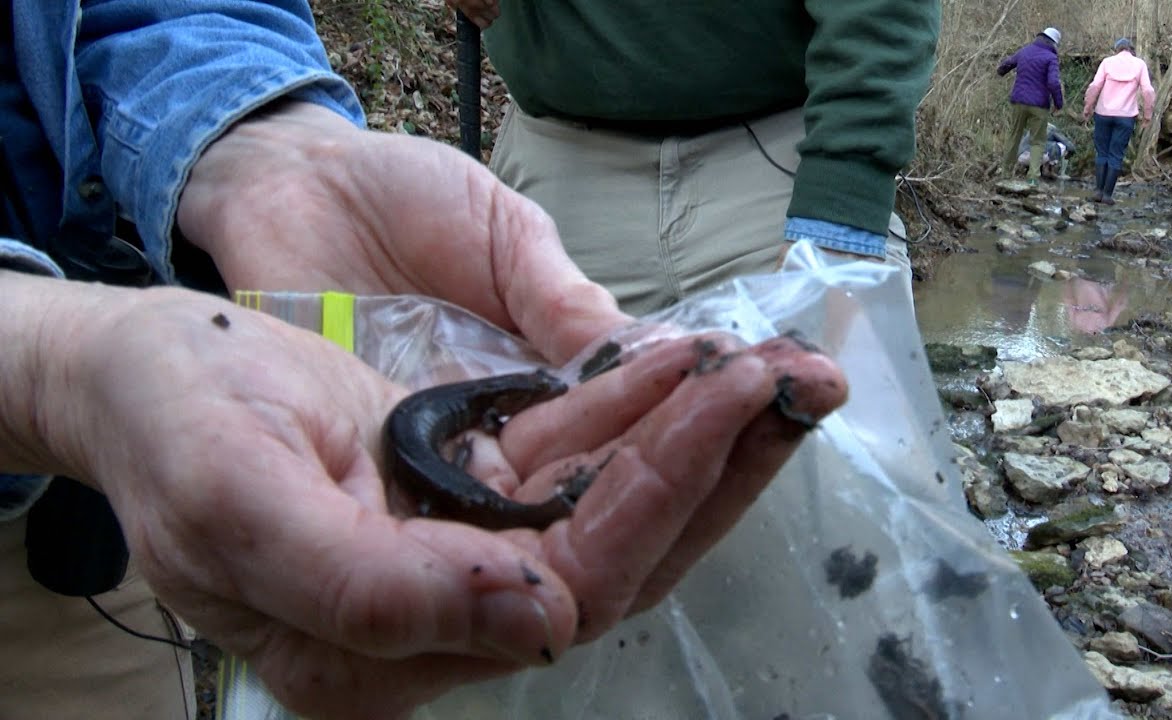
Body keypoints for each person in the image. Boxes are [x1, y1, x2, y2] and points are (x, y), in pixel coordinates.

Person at [0, 3, 848, 719]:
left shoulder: (488, 406)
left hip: (72, 539)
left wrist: (269, 150)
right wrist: (46, 364)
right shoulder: (490, 408)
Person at [446, 0, 941, 316]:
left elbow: (881, 12)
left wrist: (841, 203)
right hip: (560, 169)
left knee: (841, 441)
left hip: (783, 171)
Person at [1081, 38, 1156, 205]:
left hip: (1103, 113)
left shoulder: (1107, 62)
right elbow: (1148, 91)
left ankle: (1098, 191)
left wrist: (1088, 107)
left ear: (1116, 49)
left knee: (1102, 153)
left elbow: (1095, 86)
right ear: (1131, 49)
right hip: (1126, 116)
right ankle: (1108, 195)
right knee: (1116, 155)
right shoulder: (1140, 64)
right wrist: (1147, 114)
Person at [997, 27, 1065, 187]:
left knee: (1014, 136)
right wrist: (1058, 103)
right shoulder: (1051, 58)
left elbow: (1007, 64)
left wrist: (1001, 71)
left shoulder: (1025, 51)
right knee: (1038, 141)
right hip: (1039, 105)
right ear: (1054, 43)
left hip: (1018, 101)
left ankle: (1006, 173)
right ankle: (1033, 178)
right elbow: (1053, 82)